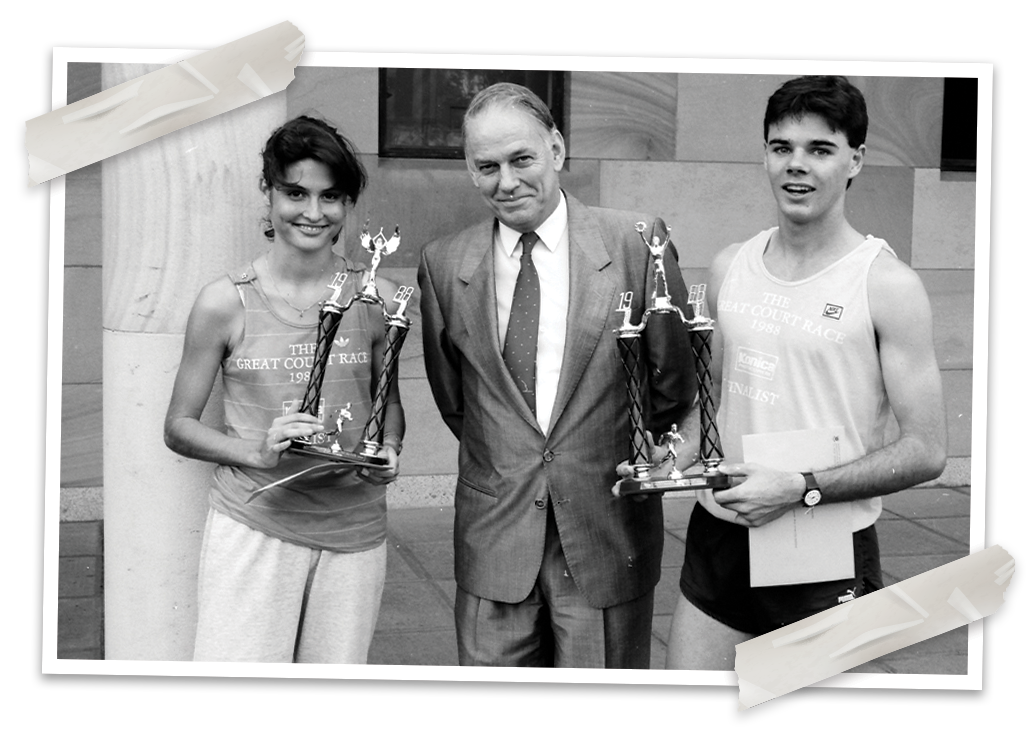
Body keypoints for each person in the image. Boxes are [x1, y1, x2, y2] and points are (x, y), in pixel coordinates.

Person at [658, 75, 947, 669]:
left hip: (823, 545)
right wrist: (666, 458)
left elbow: (926, 450)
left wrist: (801, 486)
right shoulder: (730, 264)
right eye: (781, 147)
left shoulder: (888, 285)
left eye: (820, 149)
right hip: (721, 532)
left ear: (855, 161)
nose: (797, 166)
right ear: (765, 153)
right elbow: (711, 405)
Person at [418, 83, 695, 668]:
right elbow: (457, 401)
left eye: (522, 159)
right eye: (486, 166)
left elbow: (675, 383)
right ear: (470, 170)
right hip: (494, 538)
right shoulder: (443, 263)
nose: (507, 181)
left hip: (604, 532)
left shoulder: (636, 243)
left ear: (557, 149)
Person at [164, 115, 404, 663]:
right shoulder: (225, 301)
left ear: (347, 205)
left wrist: (389, 447)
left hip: (354, 532)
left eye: (331, 196)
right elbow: (178, 426)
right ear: (268, 193)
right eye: (296, 193)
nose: (313, 213)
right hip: (255, 527)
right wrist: (256, 450)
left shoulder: (379, 298)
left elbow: (388, 405)